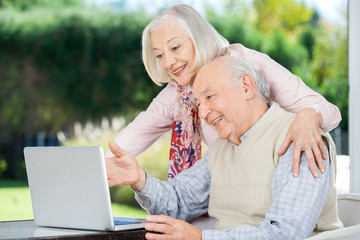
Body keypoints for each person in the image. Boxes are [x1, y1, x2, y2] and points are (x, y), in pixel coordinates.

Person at [105, 56, 343, 240]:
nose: (204, 112)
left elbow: (284, 234)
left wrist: (199, 237)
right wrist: (138, 178)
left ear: (247, 86)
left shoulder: (300, 137)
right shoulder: (223, 149)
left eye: (210, 97)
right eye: (199, 103)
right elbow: (178, 202)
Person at [105, 4, 341, 179]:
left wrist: (308, 115)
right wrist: (100, 167)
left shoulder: (248, 65)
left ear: (198, 38)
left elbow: (330, 113)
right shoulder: (178, 92)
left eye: (175, 47)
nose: (168, 62)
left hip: (278, 179)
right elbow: (130, 139)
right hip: (234, 188)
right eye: (159, 55)